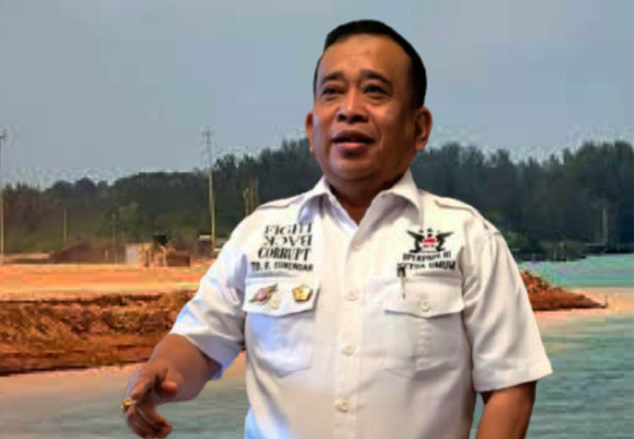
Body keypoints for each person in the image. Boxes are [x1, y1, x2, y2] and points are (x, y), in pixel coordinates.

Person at [123, 19, 552, 439]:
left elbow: (510, 386)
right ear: (312, 128)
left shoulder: (468, 239)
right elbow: (198, 343)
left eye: (375, 91)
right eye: (332, 92)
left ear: (418, 128)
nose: (350, 109)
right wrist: (160, 371)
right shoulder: (259, 235)